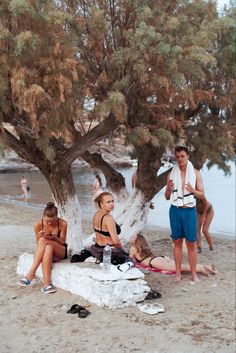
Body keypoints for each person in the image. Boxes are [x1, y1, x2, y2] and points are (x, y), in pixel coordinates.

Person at [165, 146, 205, 283]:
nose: (180, 159)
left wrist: (192, 190)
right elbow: (166, 196)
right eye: (177, 157)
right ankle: (178, 273)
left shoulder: (195, 173)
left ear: (188, 156)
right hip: (175, 210)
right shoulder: (171, 174)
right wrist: (169, 190)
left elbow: (202, 194)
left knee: (191, 243)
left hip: (189, 211)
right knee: (177, 242)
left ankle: (194, 274)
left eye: (182, 156)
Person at [18, 202, 67, 294]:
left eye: (52, 221)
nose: (49, 223)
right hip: (47, 251)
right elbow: (37, 242)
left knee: (44, 241)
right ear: (43, 217)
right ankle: (46, 284)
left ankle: (31, 273)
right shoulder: (38, 224)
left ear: (57, 217)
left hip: (60, 251)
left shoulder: (63, 223)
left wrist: (54, 237)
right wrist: (40, 236)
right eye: (47, 221)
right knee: (47, 246)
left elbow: (63, 242)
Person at [130, 233, 217, 276]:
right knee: (181, 266)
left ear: (136, 241)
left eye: (132, 237)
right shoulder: (142, 248)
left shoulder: (133, 248)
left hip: (154, 262)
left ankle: (201, 268)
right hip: (159, 258)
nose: (130, 238)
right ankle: (208, 267)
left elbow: (129, 259)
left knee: (182, 267)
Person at [88, 192, 131, 264]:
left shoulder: (97, 214)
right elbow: (116, 242)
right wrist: (122, 249)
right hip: (108, 250)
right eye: (108, 202)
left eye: (112, 201)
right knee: (130, 260)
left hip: (97, 248)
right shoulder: (108, 218)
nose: (111, 204)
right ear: (101, 204)